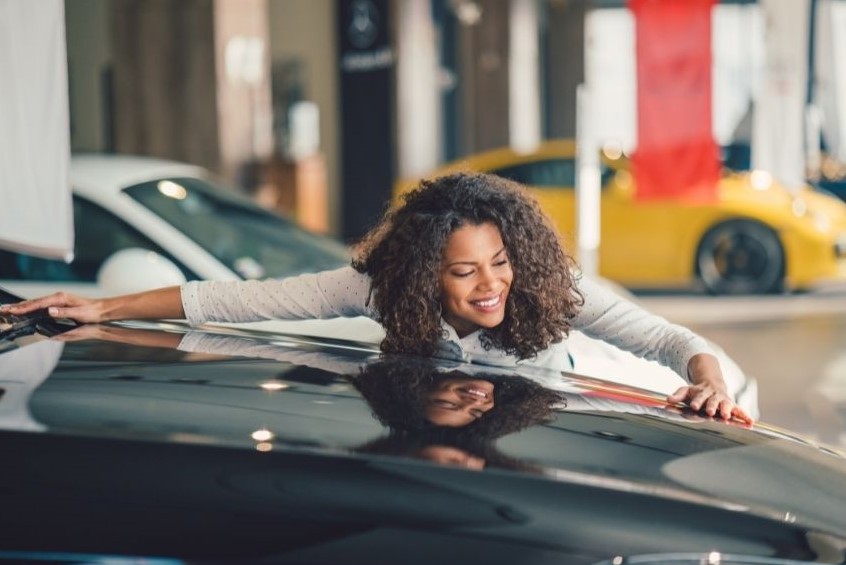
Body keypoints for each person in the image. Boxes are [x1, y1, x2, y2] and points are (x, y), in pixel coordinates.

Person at [0, 172, 753, 423]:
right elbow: (237, 302)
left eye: (499, 261)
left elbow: (667, 339)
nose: (491, 284)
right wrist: (102, 311)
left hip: (548, 436)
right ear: (426, 272)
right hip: (424, 449)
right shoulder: (375, 289)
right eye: (465, 272)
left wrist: (709, 384)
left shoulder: (547, 291)